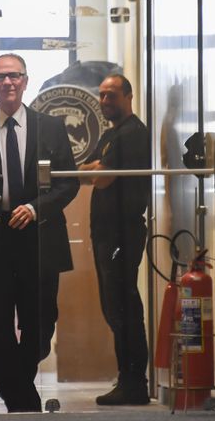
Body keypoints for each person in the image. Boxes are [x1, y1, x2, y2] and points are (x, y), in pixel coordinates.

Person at [0, 53, 78, 412]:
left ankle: (17, 389)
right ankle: (23, 405)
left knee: (40, 327)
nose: (8, 83)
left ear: (25, 80)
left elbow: (69, 185)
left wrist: (37, 208)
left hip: (40, 241)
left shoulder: (50, 128)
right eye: (0, 77)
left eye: (15, 76)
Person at [79, 74, 151, 405]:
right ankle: (129, 378)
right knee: (114, 307)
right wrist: (95, 168)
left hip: (123, 233)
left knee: (123, 307)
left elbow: (99, 177)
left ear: (129, 96)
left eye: (112, 96)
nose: (106, 101)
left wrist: (95, 169)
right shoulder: (112, 135)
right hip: (107, 234)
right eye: (102, 95)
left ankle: (134, 382)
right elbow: (87, 168)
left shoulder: (133, 133)